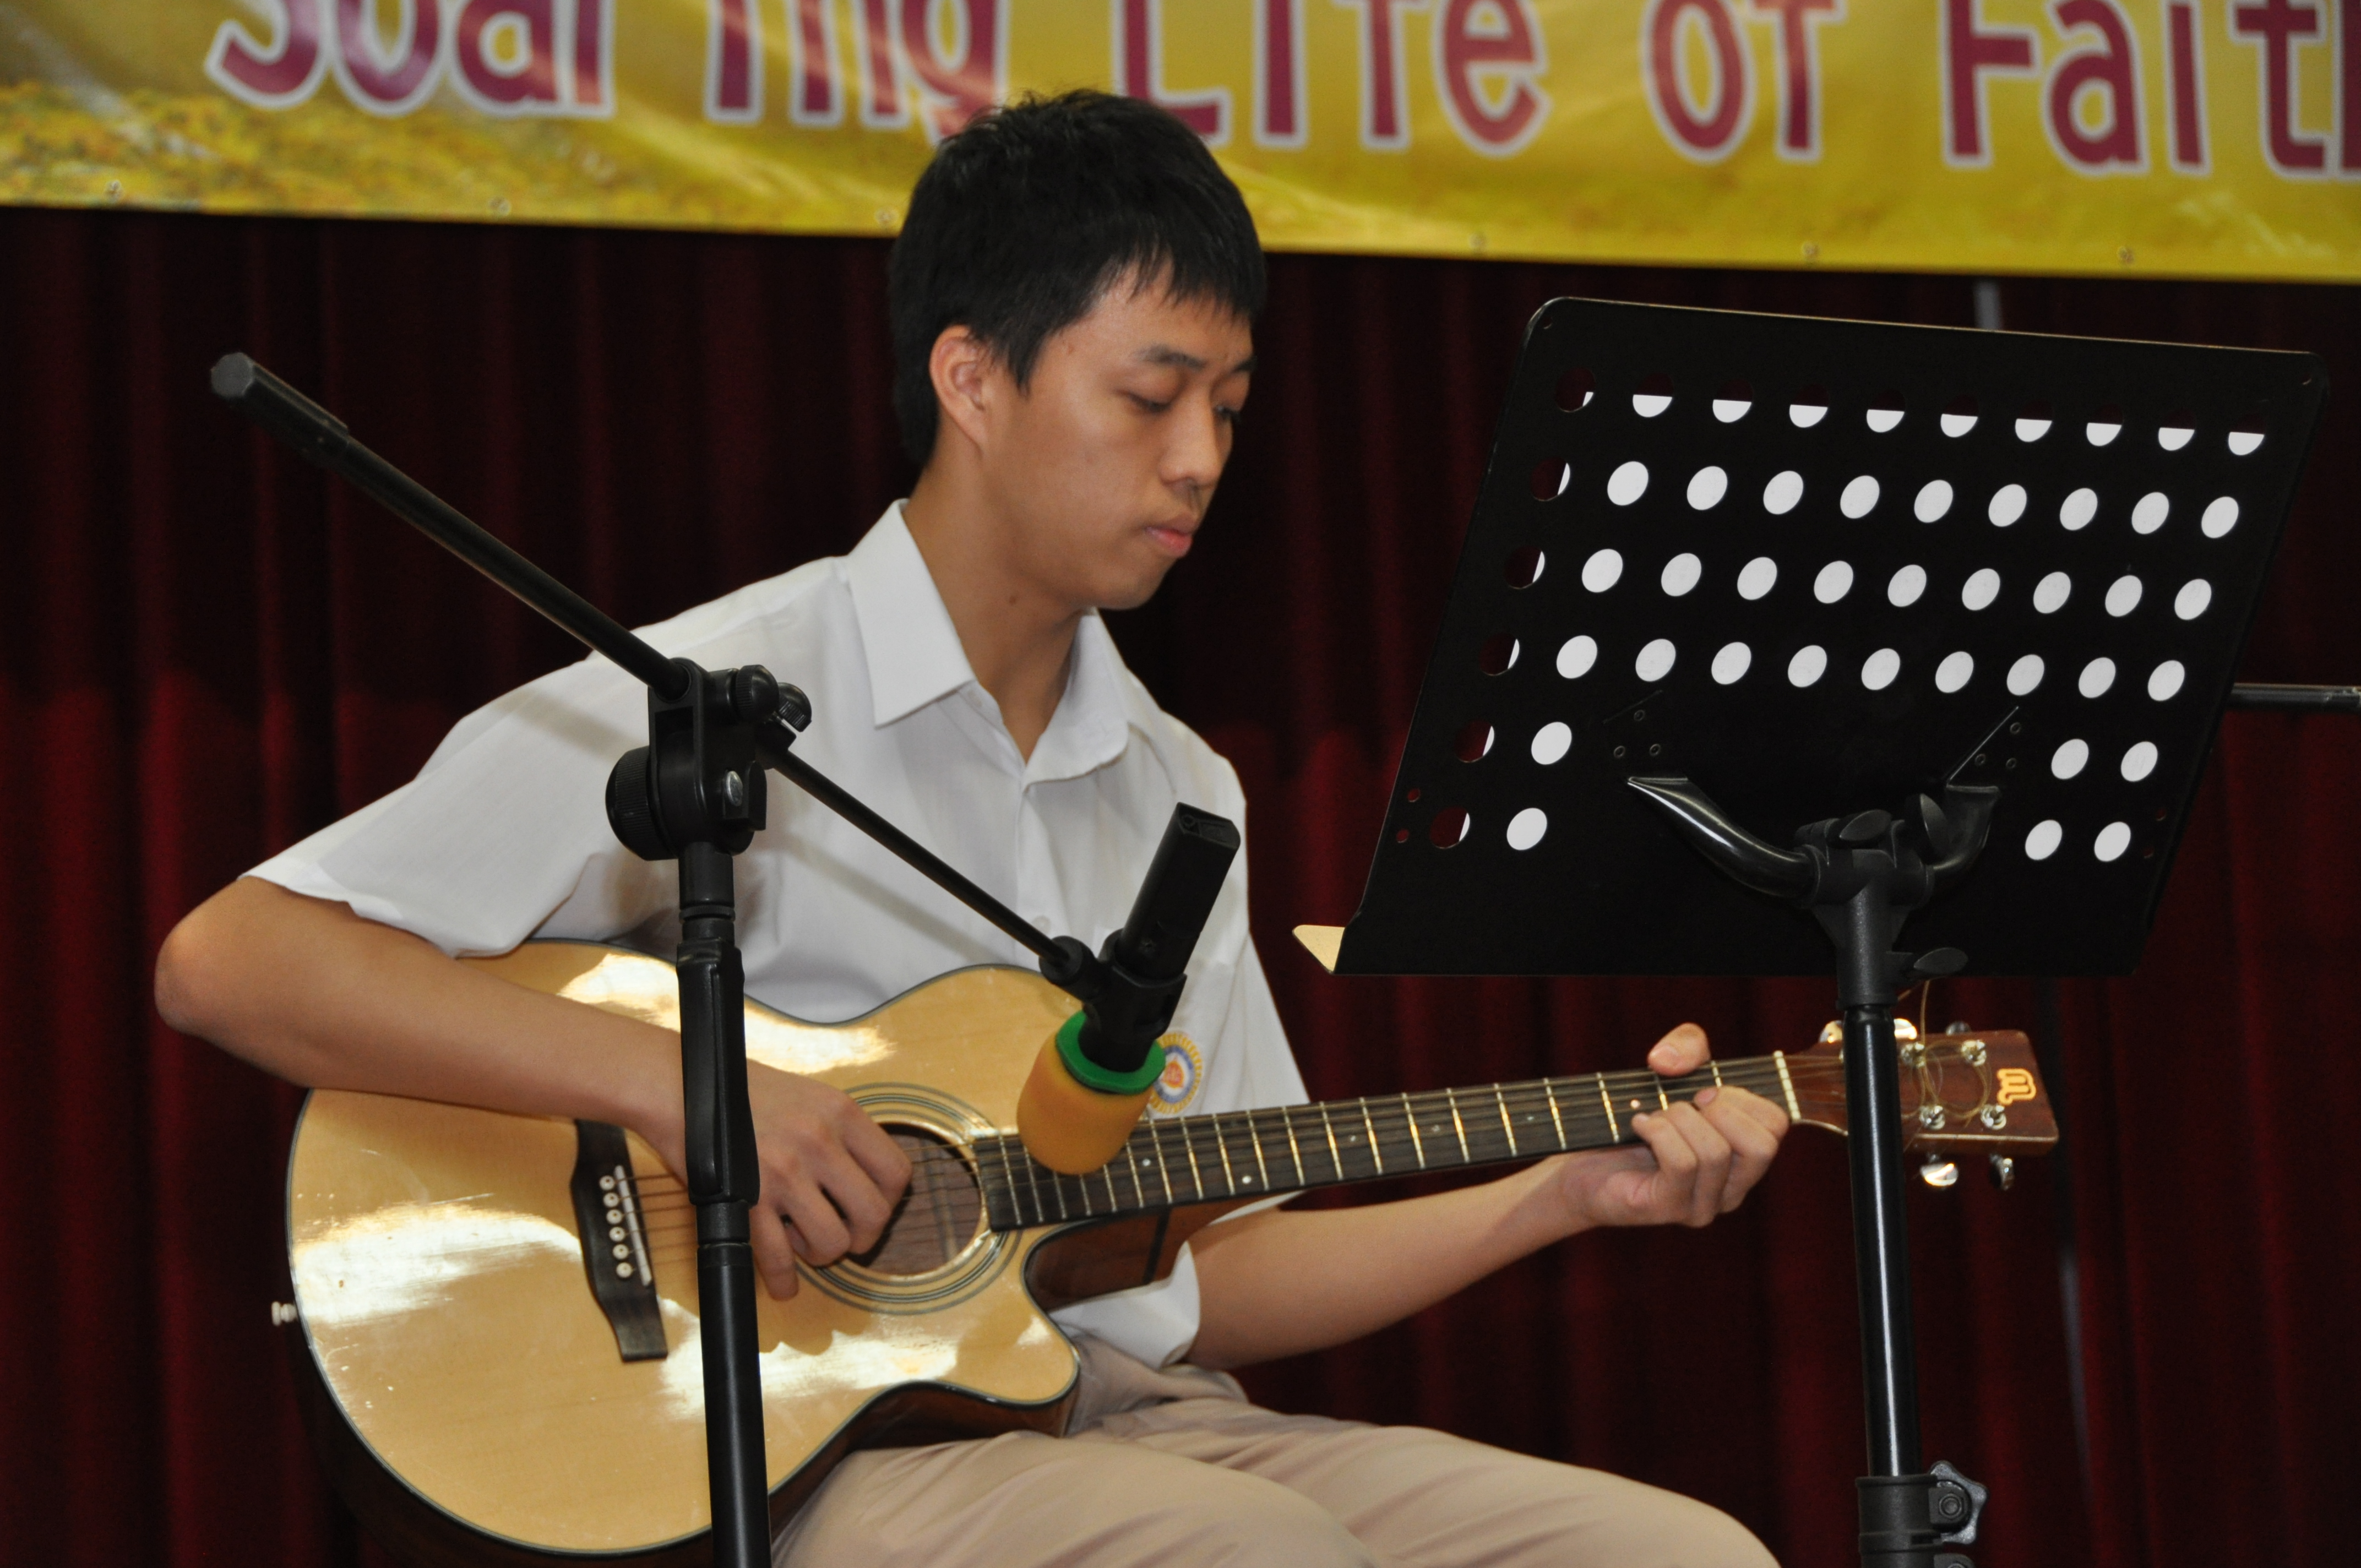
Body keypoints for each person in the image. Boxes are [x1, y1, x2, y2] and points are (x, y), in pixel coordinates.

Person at [156, 90, 1787, 1567]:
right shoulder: (717, 691)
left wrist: (1556, 1199)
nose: (1202, 459)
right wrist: (691, 1089)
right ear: (973, 378)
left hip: (1127, 1416)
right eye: (1151, 397)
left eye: (1230, 406)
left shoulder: (1180, 788)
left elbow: (1206, 1275)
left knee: (1684, 1557)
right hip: (800, 1450)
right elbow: (232, 960)